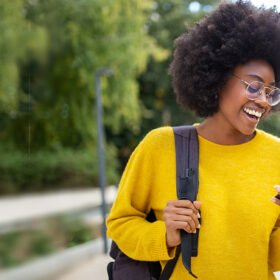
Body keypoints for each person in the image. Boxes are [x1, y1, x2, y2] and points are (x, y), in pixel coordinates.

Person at [106, 1, 280, 279]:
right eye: (254, 85)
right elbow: (120, 224)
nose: (262, 101)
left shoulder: (277, 155)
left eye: (271, 92)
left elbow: (270, 258)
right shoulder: (159, 146)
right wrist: (165, 234)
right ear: (219, 78)